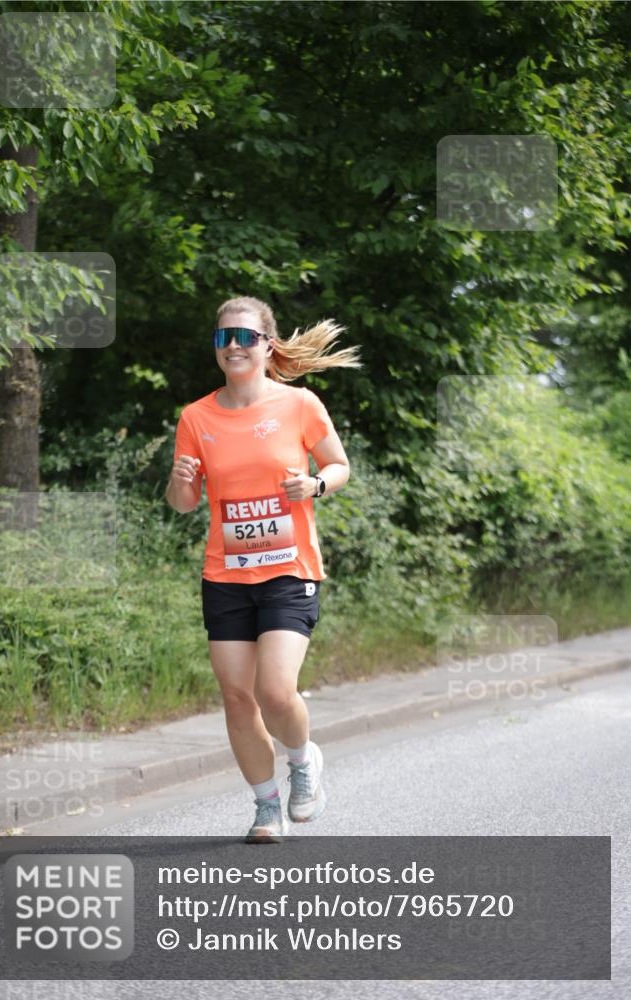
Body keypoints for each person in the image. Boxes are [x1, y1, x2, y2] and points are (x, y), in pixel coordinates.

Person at [166, 295, 363, 843]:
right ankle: (265, 806)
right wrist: (182, 478)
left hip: (288, 567)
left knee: (275, 690)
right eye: (223, 337)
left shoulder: (300, 404)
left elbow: (339, 464)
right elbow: (184, 502)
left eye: (244, 336)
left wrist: (317, 484)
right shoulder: (196, 417)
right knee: (236, 696)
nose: (232, 345)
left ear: (266, 344)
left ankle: (302, 762)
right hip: (225, 574)